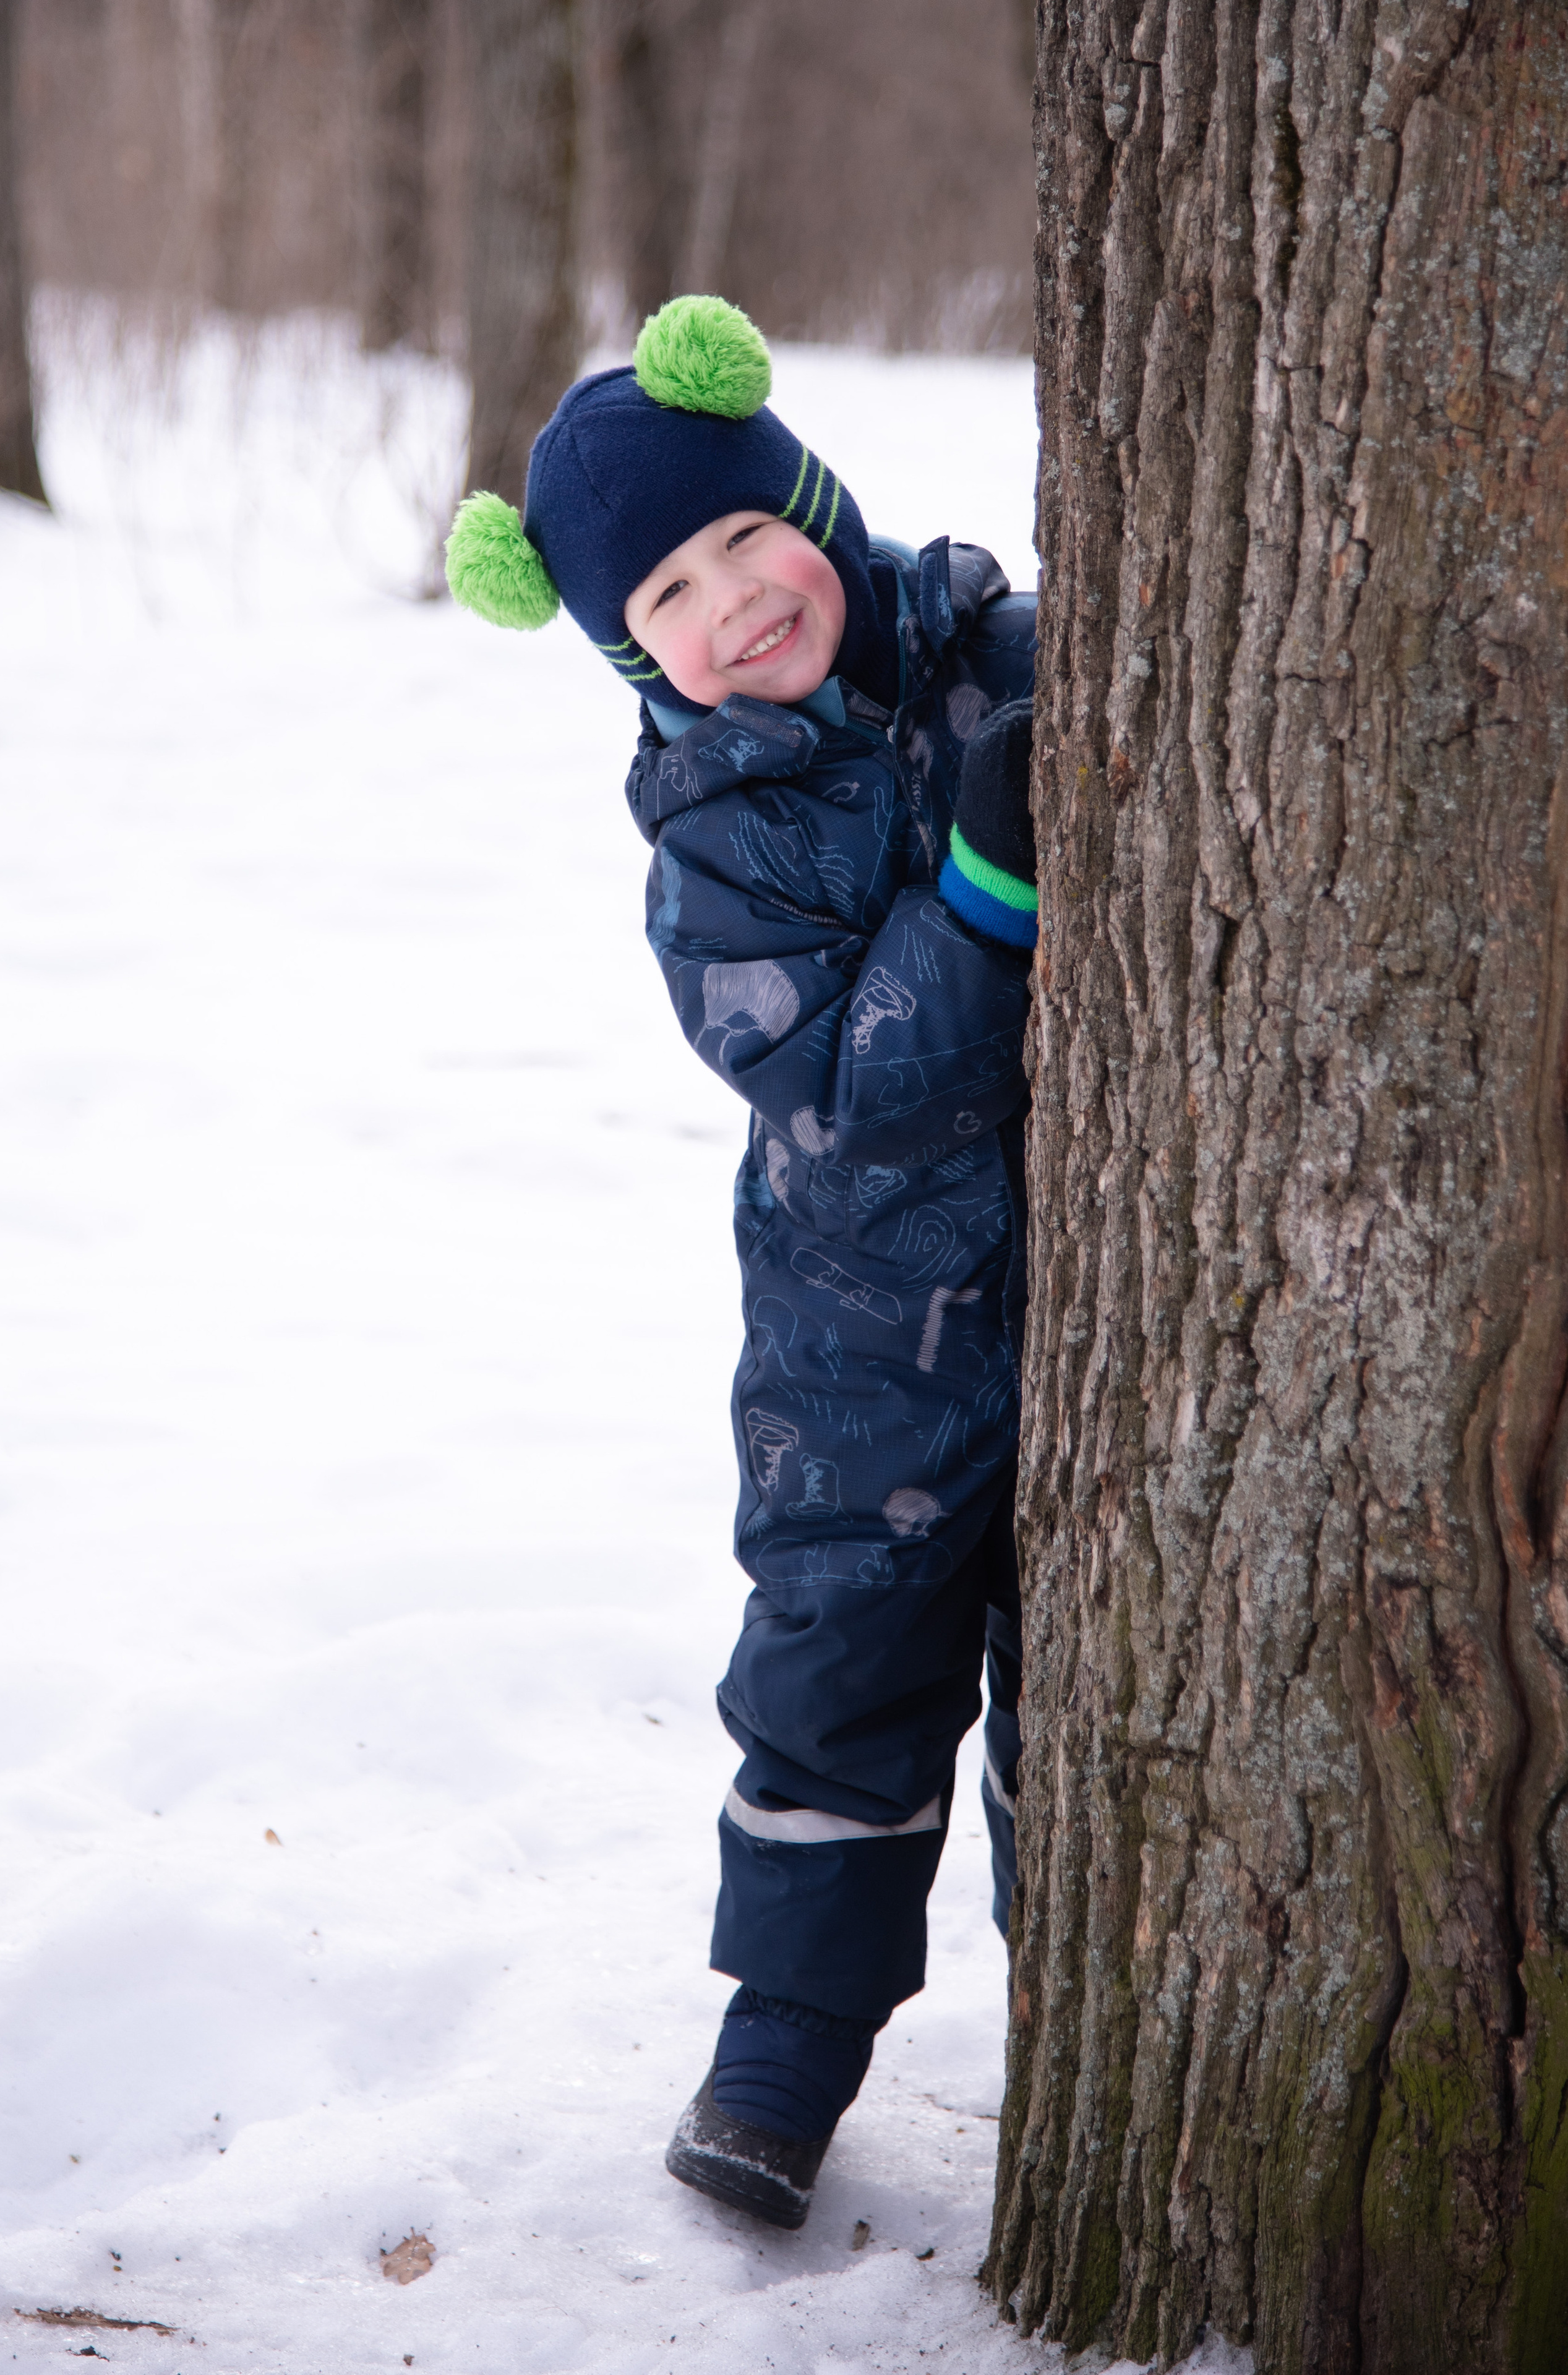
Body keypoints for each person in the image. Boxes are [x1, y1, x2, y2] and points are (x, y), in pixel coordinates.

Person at [445, 297, 1039, 2232]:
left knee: (1087, 1681)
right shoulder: (716, 844)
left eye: (745, 538)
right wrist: (988, 890)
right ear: (634, 655)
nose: (737, 604)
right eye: (675, 598)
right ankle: (789, 2028)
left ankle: (1086, 1996)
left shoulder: (992, 649)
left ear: (811, 495)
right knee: (838, 1672)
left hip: (1111, 1312)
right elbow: (859, 1085)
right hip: (865, 1343)